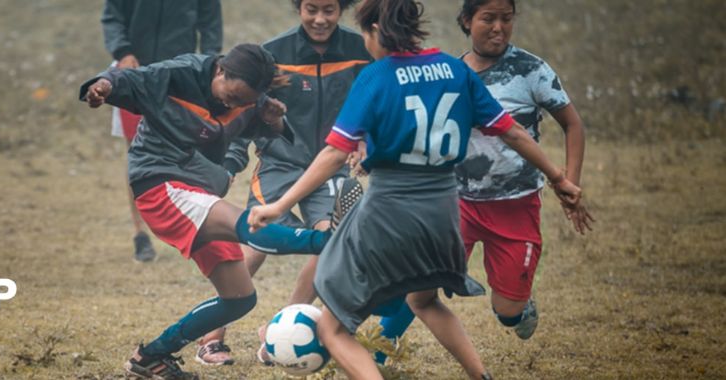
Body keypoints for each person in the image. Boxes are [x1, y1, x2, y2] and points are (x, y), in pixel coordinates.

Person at [247, 0, 589, 378]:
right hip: (444, 210)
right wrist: (559, 178)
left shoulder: (377, 77)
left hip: (390, 209)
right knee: (423, 301)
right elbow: (512, 131)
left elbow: (333, 153)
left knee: (331, 327)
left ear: (375, 31)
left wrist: (281, 205)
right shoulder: (456, 70)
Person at [81, 44, 338, 380]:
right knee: (248, 225)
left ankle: (151, 358)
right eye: (231, 96)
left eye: (244, 101)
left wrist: (274, 121)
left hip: (199, 187)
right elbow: (128, 79)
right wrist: (101, 87)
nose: (234, 105)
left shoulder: (249, 98)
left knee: (239, 298)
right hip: (160, 182)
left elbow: (264, 128)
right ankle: (329, 241)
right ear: (219, 71)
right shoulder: (181, 74)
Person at [370, 0, 594, 361]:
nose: (498, 28)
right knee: (420, 286)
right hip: (457, 202)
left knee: (508, 312)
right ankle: (375, 354)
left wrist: (569, 182)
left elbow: (573, 124)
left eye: (506, 19)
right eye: (488, 19)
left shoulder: (530, 70)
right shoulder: (453, 74)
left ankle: (517, 308)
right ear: (466, 21)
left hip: (516, 206)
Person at [200, 0, 372, 366]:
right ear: (298, 7)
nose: (320, 19)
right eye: (311, 9)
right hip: (279, 164)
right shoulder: (274, 56)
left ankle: (279, 333)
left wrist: (368, 142)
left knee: (332, 240)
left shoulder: (361, 52)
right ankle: (211, 338)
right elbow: (243, 111)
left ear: (342, 8)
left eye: (329, 10)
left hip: (331, 167)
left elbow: (374, 107)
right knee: (258, 237)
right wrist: (230, 165)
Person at [101, 0, 223, 263]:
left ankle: (192, 225)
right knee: (136, 151)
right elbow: (112, 17)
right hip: (135, 73)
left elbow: (211, 23)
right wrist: (122, 53)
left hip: (180, 75)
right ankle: (140, 235)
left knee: (189, 149)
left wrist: (210, 65)